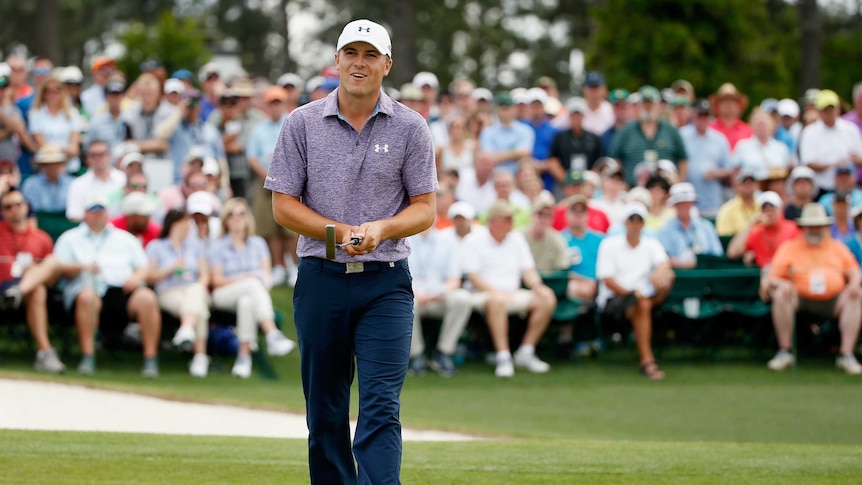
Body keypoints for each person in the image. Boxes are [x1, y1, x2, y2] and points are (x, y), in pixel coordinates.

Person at [265, 19, 437, 484]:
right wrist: (339, 234)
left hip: (386, 282)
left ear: (386, 64)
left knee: (381, 405)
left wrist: (382, 228)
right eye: (351, 53)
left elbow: (424, 209)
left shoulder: (410, 127)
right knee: (324, 411)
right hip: (322, 279)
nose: (359, 63)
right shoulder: (301, 123)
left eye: (369, 55)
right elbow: (283, 206)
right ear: (337, 60)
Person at [54, 194, 162, 377]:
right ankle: (88, 357)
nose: (97, 214)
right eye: (92, 210)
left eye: (101, 210)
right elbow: (58, 267)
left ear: (107, 213)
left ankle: (150, 359)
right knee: (88, 297)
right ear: (85, 213)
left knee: (147, 298)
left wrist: (136, 278)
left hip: (122, 290)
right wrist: (82, 267)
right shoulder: (69, 238)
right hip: (87, 290)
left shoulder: (125, 238)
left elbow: (143, 267)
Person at [762, 203, 862, 374]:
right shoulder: (789, 248)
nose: (815, 230)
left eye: (818, 226)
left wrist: (853, 285)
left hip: (833, 300)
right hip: (799, 298)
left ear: (825, 227)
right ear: (803, 228)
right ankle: (785, 351)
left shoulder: (838, 247)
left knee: (856, 295)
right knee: (781, 294)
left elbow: (854, 271)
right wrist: (783, 284)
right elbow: (772, 278)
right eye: (811, 226)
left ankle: (846, 354)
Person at [462, 200, 556, 377]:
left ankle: (526, 352)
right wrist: (495, 292)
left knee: (547, 299)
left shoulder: (517, 238)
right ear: (494, 221)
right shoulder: (474, 240)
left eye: (511, 218)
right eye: (507, 219)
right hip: (481, 294)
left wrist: (538, 286)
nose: (511, 222)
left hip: (512, 293)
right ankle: (503, 356)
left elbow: (528, 270)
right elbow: (473, 276)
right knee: (496, 301)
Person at [208, 198, 296, 378]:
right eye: (232, 215)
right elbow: (216, 280)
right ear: (226, 220)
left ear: (247, 218)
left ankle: (243, 358)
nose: (237, 218)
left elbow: (267, 279)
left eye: (241, 214)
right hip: (223, 295)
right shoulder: (218, 246)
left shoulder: (258, 244)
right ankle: (272, 333)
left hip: (252, 295)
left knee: (247, 302)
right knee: (252, 283)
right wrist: (245, 278)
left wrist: (254, 282)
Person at [596, 202, 674, 380]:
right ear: (625, 222)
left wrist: (660, 273)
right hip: (615, 301)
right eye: (632, 220)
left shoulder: (651, 244)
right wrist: (633, 295)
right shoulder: (609, 244)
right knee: (642, 303)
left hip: (644, 298)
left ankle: (647, 361)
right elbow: (607, 280)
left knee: (665, 280)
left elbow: (664, 264)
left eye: (639, 220)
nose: (635, 224)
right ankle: (647, 361)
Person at [0, 189, 66, 373]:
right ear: (3, 212)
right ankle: (15, 293)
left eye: (18, 204)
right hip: (2, 287)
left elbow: (52, 280)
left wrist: (34, 272)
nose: (14, 209)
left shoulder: (41, 238)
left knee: (43, 280)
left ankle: (44, 353)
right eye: (8, 206)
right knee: (38, 288)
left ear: (26, 207)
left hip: (27, 292)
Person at [146, 209, 212, 377]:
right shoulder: (156, 246)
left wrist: (199, 287)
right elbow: (149, 277)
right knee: (200, 310)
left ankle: (186, 329)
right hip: (169, 290)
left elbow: (204, 275)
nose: (189, 226)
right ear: (174, 224)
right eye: (185, 222)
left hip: (194, 289)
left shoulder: (196, 245)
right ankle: (200, 357)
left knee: (196, 293)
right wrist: (170, 269)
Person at [405, 222, 472, 377]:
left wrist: (440, 292)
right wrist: (414, 291)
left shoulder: (447, 241)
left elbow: (454, 280)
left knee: (462, 298)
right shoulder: (404, 239)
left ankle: (444, 353)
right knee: (406, 302)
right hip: (412, 294)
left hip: (439, 296)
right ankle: (416, 355)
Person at [248, 86, 296, 286]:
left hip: (290, 181)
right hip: (265, 181)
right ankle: (278, 267)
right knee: (270, 228)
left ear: (284, 104)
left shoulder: (292, 123)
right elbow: (252, 156)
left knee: (291, 227)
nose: (275, 107)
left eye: (279, 102)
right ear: (267, 105)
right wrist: (264, 174)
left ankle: (294, 267)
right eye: (272, 103)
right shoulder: (259, 128)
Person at [610, 85, 688, 186]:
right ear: (639, 106)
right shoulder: (626, 131)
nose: (648, 108)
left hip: (665, 190)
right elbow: (615, 159)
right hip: (634, 190)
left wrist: (678, 182)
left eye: (651, 104)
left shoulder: (671, 130)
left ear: (658, 105)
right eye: (645, 104)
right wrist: (621, 184)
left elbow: (683, 159)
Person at [799, 90, 862, 193]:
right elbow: (808, 162)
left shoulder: (850, 129)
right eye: (825, 110)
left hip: (849, 187)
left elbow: (860, 157)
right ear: (819, 111)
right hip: (822, 187)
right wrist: (832, 165)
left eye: (831, 109)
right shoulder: (809, 132)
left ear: (838, 109)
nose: (829, 113)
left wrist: (853, 160)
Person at [679, 99, 733, 218]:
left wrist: (716, 173)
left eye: (706, 116)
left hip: (711, 201)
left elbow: (729, 169)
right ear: (694, 116)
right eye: (700, 116)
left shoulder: (719, 140)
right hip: (687, 200)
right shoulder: (682, 136)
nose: (703, 119)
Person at [657, 182, 723, 268]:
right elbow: (661, 259)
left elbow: (717, 255)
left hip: (706, 276)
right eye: (680, 204)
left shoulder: (706, 227)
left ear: (692, 204)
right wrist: (681, 264)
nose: (684, 206)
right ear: (674, 206)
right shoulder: (665, 230)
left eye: (687, 202)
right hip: (679, 278)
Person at [727, 191, 800, 269]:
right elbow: (733, 253)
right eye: (764, 208)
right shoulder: (757, 232)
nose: (768, 212)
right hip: (764, 274)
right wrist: (751, 223)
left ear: (781, 209)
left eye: (772, 207)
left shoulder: (793, 228)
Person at [28, 77, 83, 173]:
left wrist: (54, 150)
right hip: (45, 166)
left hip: (69, 166)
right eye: (48, 91)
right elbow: (41, 143)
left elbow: (74, 148)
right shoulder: (35, 114)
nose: (53, 95)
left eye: (57, 90)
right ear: (43, 94)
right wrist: (63, 149)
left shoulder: (73, 113)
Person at [547, 97, 603, 190]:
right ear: (569, 116)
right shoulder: (559, 137)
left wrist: (589, 180)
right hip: (564, 183)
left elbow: (599, 163)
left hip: (588, 183)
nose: (576, 118)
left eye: (578, 115)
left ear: (583, 116)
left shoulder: (594, 138)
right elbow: (553, 161)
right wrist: (566, 180)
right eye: (573, 115)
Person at [65, 140, 126, 221]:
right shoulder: (77, 184)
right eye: (93, 155)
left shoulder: (124, 179)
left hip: (121, 230)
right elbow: (74, 215)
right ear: (87, 159)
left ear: (109, 156)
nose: (98, 158)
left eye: (101, 154)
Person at [478, 92, 535, 173]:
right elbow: (488, 157)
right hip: (494, 176)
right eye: (502, 108)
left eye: (507, 108)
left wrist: (497, 156)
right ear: (497, 110)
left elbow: (525, 153)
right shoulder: (487, 132)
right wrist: (515, 154)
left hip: (517, 176)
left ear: (514, 109)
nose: (505, 112)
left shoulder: (526, 130)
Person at [732, 110, 791, 180]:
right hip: (751, 188)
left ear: (771, 125)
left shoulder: (781, 148)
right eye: (758, 124)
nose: (761, 127)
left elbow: (786, 171)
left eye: (764, 124)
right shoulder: (742, 146)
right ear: (752, 125)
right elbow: (734, 171)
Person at [20, 144, 74, 213]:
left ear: (61, 164)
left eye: (56, 163)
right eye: (47, 164)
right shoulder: (30, 185)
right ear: (41, 166)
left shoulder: (72, 183)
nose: (52, 167)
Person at [522, 194, 569, 272]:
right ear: (532, 215)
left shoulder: (557, 239)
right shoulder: (519, 237)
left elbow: (562, 268)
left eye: (548, 215)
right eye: (540, 214)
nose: (544, 219)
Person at [715, 169, 760, 236]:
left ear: (757, 185)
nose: (748, 185)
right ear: (737, 186)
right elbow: (724, 237)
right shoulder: (727, 210)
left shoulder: (764, 206)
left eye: (751, 181)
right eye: (744, 182)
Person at [708, 83, 753, 151]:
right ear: (717, 105)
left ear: (739, 106)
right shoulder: (709, 129)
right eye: (724, 100)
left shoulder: (748, 130)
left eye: (732, 100)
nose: (728, 104)